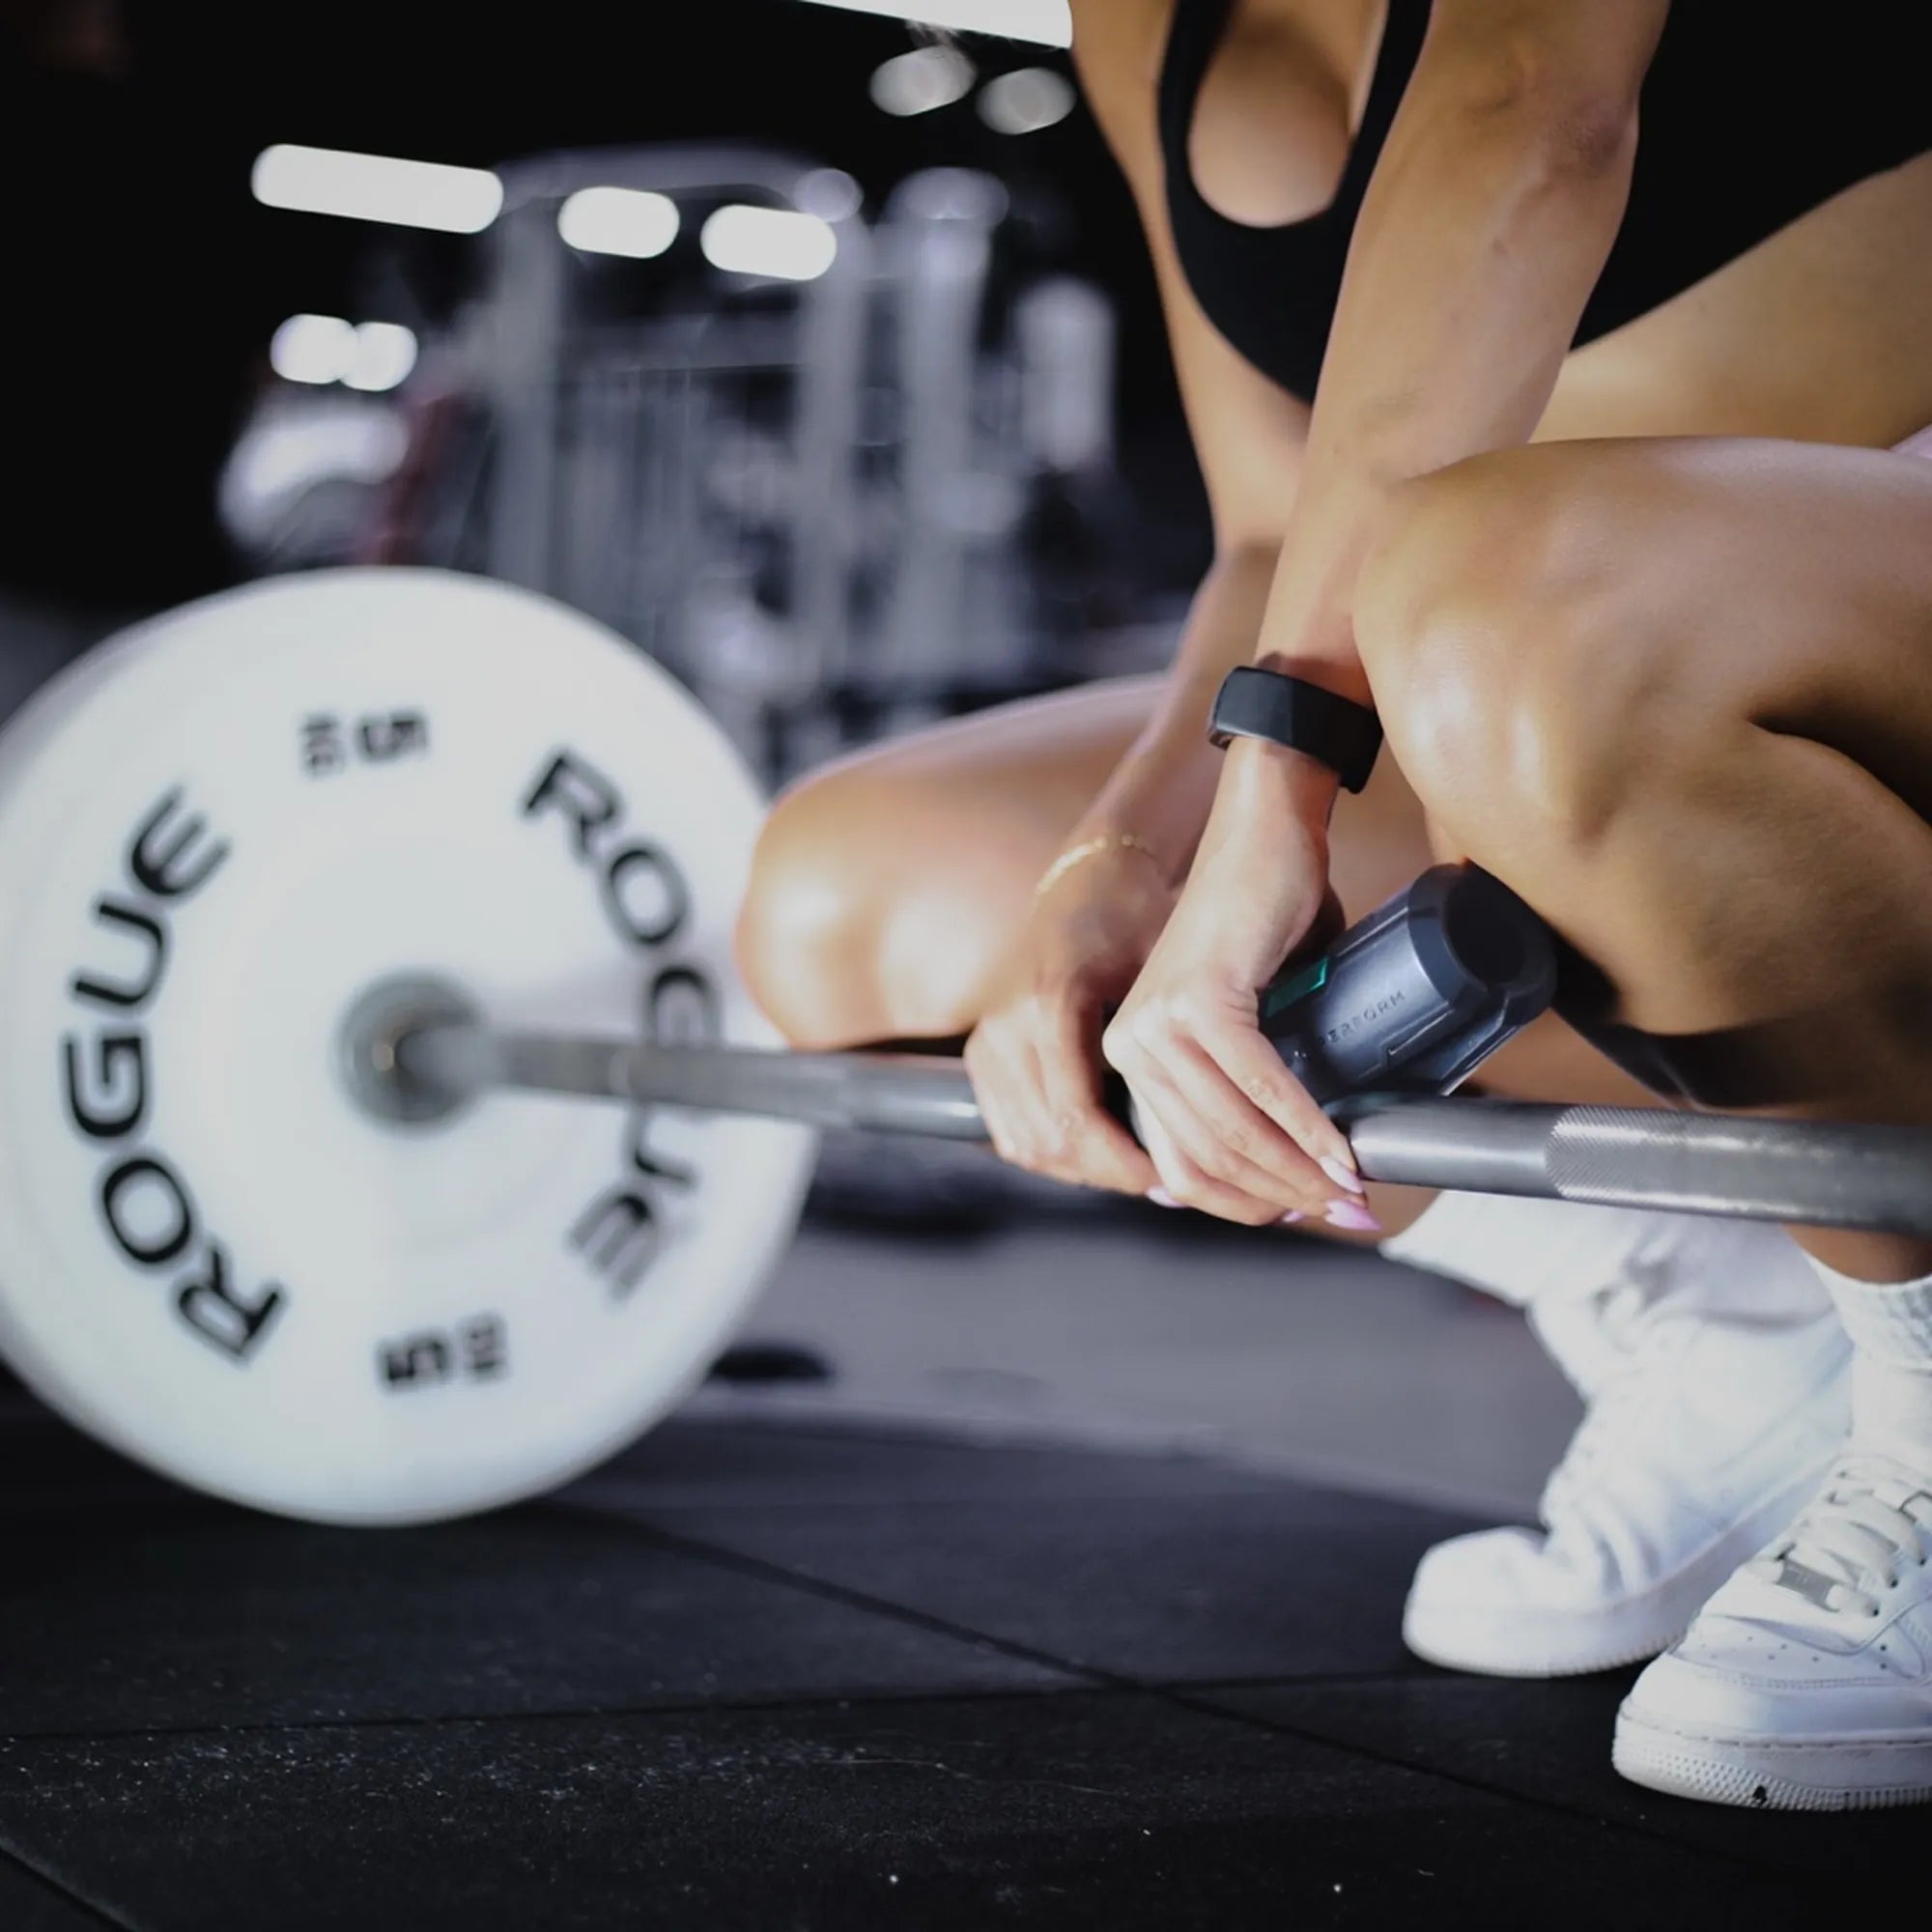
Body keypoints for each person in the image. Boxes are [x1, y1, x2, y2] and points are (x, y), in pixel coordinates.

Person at [736, 1, 1932, 1805]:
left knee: (1509, 604)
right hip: (1505, 684)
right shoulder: (1137, 17)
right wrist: (1122, 865)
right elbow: (1265, 534)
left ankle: (1922, 1363)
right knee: (861, 899)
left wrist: (1271, 805)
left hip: (1828, 626)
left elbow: (1527, 109)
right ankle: (1722, 1301)